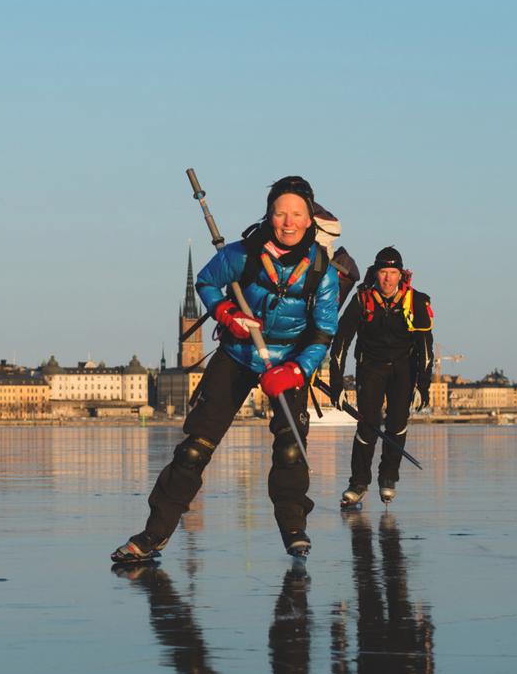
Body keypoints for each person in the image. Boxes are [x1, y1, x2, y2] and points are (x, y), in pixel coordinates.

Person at [112, 176, 340, 562]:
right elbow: (206, 282)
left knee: (290, 449)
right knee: (194, 449)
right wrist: (225, 312)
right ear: (269, 215)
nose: (288, 222)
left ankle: (294, 529)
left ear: (309, 220)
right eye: (280, 213)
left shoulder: (322, 271)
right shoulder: (241, 254)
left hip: (287, 362)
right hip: (237, 355)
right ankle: (154, 534)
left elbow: (323, 332)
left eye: (296, 214)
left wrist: (297, 371)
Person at [330, 246, 433, 506]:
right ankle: (358, 482)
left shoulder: (415, 301)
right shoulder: (361, 300)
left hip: (403, 369)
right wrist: (336, 383)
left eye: (392, 273)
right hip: (370, 367)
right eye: (383, 272)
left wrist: (423, 385)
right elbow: (341, 342)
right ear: (375, 273)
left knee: (397, 424)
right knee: (368, 425)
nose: (387, 278)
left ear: (401, 275)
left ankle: (388, 477)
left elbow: (425, 349)